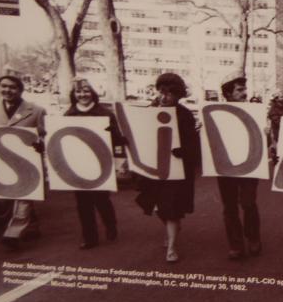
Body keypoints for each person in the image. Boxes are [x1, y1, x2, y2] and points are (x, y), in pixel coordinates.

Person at [134, 72, 200, 263]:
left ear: (177, 96)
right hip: (154, 170)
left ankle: (171, 247)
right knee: (159, 208)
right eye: (162, 93)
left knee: (170, 207)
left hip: (177, 171)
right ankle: (173, 228)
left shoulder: (185, 115)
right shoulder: (149, 111)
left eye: (169, 94)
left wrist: (184, 151)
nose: (164, 97)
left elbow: (194, 146)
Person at [0, 72, 46, 248]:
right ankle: (33, 227)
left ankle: (13, 234)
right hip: (3, 161)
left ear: (20, 90)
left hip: (27, 161)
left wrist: (40, 145)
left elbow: (44, 134)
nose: (7, 90)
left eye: (12, 87)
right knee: (10, 197)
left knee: (24, 195)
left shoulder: (36, 111)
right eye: (3, 86)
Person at [64, 78, 122, 250]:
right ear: (74, 95)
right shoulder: (69, 115)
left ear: (93, 93)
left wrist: (112, 134)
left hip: (100, 162)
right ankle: (89, 237)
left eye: (86, 91)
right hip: (78, 163)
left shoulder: (105, 114)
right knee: (82, 203)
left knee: (101, 199)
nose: (82, 95)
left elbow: (117, 139)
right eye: (78, 92)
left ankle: (110, 226)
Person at [216, 72, 263, 260]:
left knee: (248, 203)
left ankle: (253, 238)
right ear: (228, 94)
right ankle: (235, 244)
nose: (244, 93)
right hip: (225, 167)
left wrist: (265, 132)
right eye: (239, 90)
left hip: (249, 166)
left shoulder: (255, 111)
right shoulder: (216, 113)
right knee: (229, 206)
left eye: (244, 89)